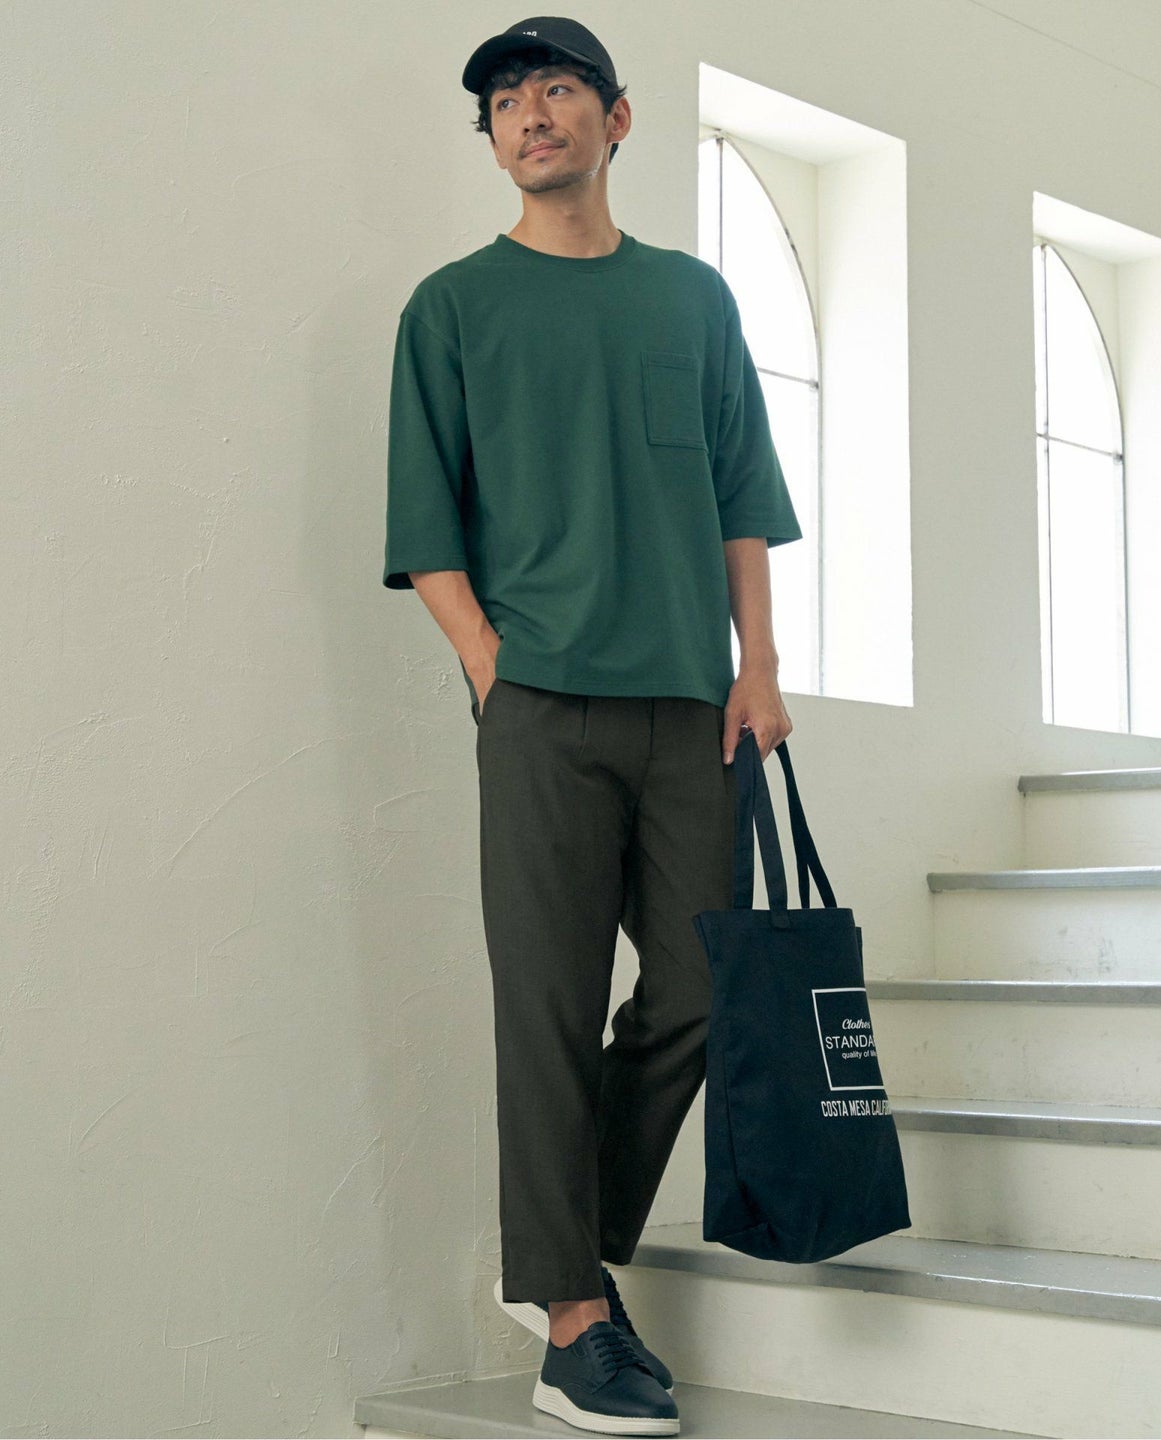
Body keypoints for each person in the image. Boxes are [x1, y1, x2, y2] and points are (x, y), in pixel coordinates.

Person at [383, 16, 803, 1435]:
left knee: (701, 990)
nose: (530, 114)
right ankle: (571, 1323)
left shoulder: (693, 299)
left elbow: (743, 494)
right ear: (492, 137)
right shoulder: (453, 308)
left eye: (557, 88)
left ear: (616, 118)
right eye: (506, 100)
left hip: (694, 706)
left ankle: (564, 1254)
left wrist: (759, 666)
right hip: (542, 710)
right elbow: (426, 524)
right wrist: (489, 664)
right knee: (549, 1011)